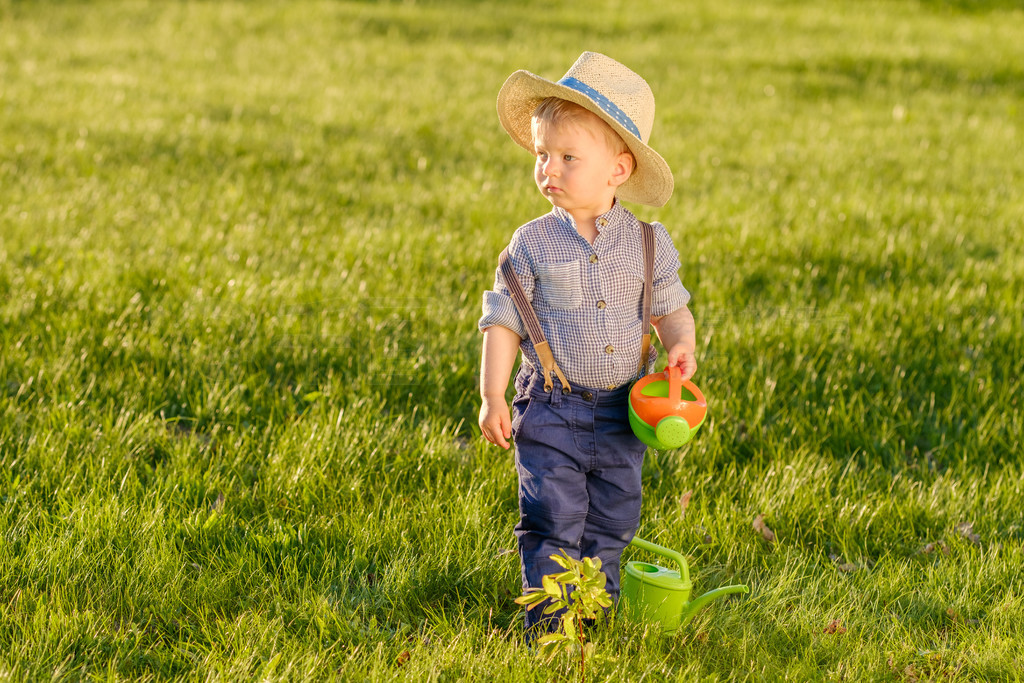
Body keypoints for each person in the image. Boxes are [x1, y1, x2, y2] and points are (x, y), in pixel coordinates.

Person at [477, 52, 697, 635]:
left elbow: (671, 307)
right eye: (543, 154)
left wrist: (679, 345)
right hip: (551, 405)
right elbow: (504, 320)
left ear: (618, 170)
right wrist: (492, 395)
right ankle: (550, 625)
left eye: (567, 157)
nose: (549, 168)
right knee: (553, 516)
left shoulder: (647, 244)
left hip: (624, 413)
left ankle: (593, 614)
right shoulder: (531, 245)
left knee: (613, 518)